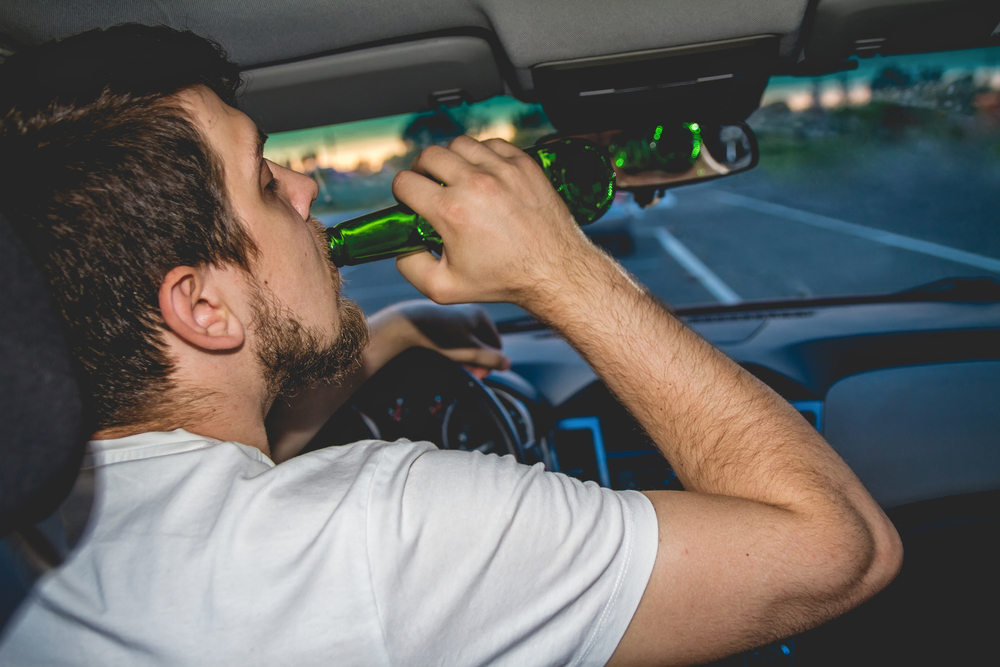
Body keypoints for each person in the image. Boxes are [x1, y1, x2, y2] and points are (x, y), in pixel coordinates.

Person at [0, 24, 902, 666]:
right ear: (201, 305)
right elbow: (844, 550)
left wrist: (390, 333)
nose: (308, 183)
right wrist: (561, 272)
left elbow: (223, 457)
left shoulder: (38, 517)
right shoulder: (376, 536)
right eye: (264, 181)